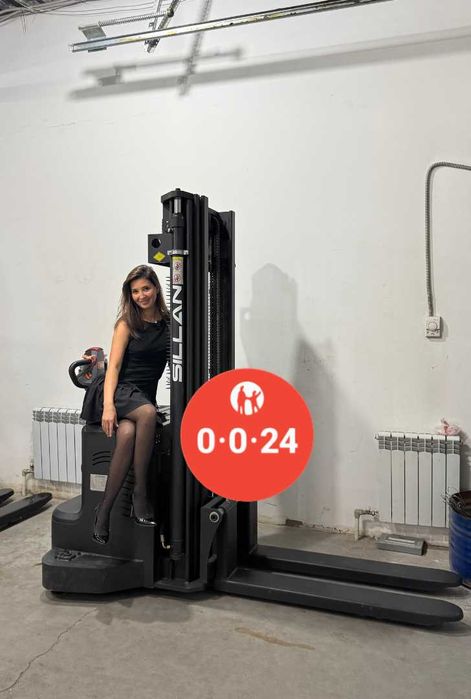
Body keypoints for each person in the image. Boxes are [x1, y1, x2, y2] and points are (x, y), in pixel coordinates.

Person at [80, 265, 169, 544]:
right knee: (148, 413)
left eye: (146, 288)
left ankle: (103, 511)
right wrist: (108, 406)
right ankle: (140, 494)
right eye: (135, 291)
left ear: (156, 288)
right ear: (130, 295)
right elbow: (114, 368)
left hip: (142, 396)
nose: (142, 295)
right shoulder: (126, 323)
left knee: (128, 432)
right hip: (118, 391)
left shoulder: (169, 325)